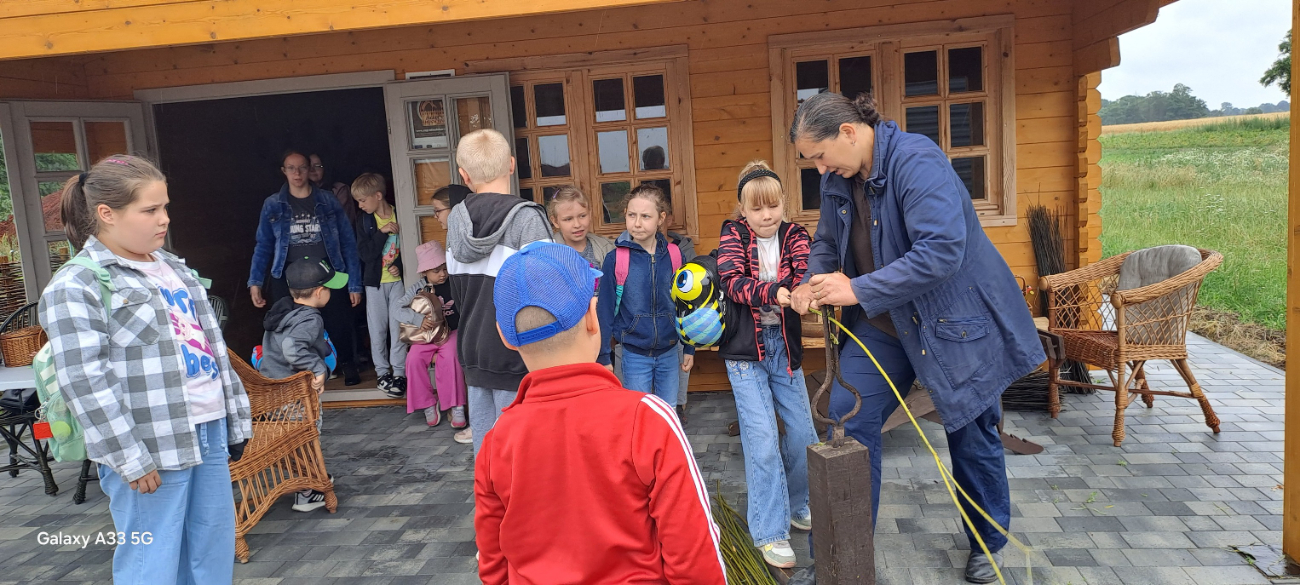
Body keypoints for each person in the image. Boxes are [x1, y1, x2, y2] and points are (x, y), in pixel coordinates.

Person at [788, 92, 1045, 584]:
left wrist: (855, 288)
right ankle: (840, 561)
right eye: (811, 160)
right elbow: (825, 243)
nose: (818, 169)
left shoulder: (917, 160)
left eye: (819, 155)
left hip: (953, 325)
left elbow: (942, 252)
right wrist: (814, 283)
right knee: (846, 412)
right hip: (886, 326)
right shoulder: (839, 177)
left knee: (971, 434)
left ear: (848, 132)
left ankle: (988, 546)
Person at [40, 155, 252, 584]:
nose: (164, 220)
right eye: (150, 210)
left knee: (211, 548)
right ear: (107, 214)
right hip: (149, 443)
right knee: (151, 559)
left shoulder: (173, 267)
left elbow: (211, 348)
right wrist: (129, 458)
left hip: (206, 427)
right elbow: (84, 380)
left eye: (165, 207)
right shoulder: (76, 284)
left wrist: (235, 420)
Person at [474, 241, 727, 584]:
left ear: (506, 337)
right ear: (594, 317)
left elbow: (493, 566)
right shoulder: (648, 420)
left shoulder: (496, 441)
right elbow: (696, 557)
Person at [715, 161, 818, 569]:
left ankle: (797, 503)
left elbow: (805, 270)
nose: (767, 216)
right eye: (757, 209)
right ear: (743, 209)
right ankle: (770, 530)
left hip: (785, 349)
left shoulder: (795, 234)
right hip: (745, 353)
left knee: (802, 434)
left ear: (782, 204)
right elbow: (732, 282)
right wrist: (777, 291)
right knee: (762, 441)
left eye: (773, 206)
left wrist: (808, 287)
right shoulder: (732, 235)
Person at [444, 129, 552, 454]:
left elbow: (459, 297)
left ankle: (493, 507)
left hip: (474, 352)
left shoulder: (454, 221)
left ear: (464, 175)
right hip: (521, 356)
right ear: (511, 164)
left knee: (487, 456)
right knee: (525, 455)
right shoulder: (529, 219)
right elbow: (545, 297)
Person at [249, 149, 364, 386]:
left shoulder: (327, 200)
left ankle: (347, 365)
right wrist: (255, 282)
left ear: (309, 170)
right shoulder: (272, 204)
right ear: (284, 171)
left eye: (302, 167)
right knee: (287, 325)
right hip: (287, 275)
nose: (297, 173)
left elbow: (347, 242)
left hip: (328, 272)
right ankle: (291, 379)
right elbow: (263, 245)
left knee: (339, 321)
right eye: (291, 168)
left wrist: (354, 282)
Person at [258, 255, 348, 512]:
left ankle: (310, 484)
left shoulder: (282, 312)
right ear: (319, 292)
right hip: (296, 393)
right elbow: (292, 348)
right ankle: (308, 491)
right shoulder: (310, 319)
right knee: (307, 438)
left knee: (297, 441)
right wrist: (317, 368)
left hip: (274, 391)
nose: (329, 291)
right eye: (328, 287)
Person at [597, 184, 693, 406]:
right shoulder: (616, 259)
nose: (637, 223)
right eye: (632, 215)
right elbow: (604, 310)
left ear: (661, 218)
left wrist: (689, 347)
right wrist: (603, 355)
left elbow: (686, 305)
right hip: (633, 354)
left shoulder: (675, 256)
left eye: (645, 216)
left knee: (667, 413)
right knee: (637, 414)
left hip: (670, 352)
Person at [397, 240, 469, 438]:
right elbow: (396, 309)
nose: (442, 274)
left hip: (452, 333)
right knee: (413, 359)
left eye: (444, 268)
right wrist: (417, 319)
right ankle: (428, 403)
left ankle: (456, 405)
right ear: (424, 273)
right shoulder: (418, 289)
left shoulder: (456, 284)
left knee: (452, 357)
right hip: (426, 337)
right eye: (436, 270)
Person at [351, 172, 408, 397]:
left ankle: (400, 373)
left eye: (363, 200)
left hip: (396, 282)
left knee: (398, 328)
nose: (360, 205)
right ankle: (382, 372)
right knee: (378, 330)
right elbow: (365, 254)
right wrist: (382, 233)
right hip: (374, 283)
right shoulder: (365, 221)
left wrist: (400, 266)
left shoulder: (400, 212)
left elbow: (410, 246)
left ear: (378, 195)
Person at [546, 184, 614, 268]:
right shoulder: (548, 253)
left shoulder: (606, 247)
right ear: (555, 221)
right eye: (568, 219)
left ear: (589, 214)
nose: (577, 225)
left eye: (582, 216)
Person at [309, 153, 358, 224]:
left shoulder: (339, 189)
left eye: (317, 166)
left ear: (325, 168)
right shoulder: (297, 192)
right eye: (308, 166)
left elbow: (342, 220)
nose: (312, 170)